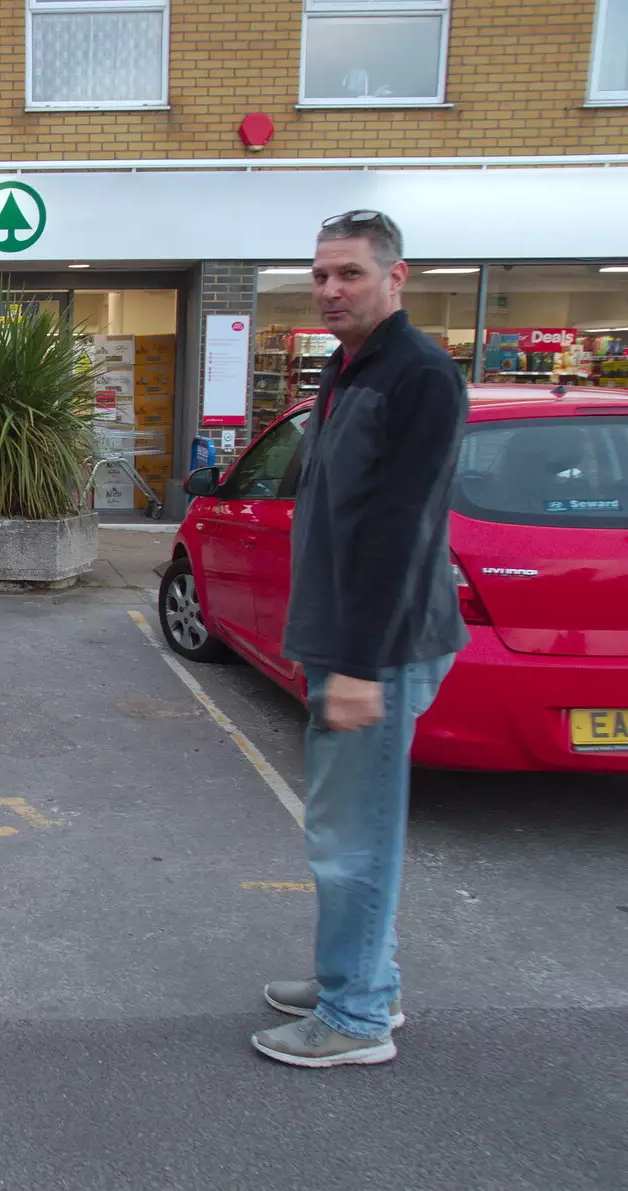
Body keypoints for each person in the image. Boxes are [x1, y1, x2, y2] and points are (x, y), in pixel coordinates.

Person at [251, 210, 469, 1069]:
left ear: (395, 276)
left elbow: (402, 531)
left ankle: (356, 1016)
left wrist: (358, 665)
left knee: (354, 837)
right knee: (347, 828)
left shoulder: (416, 375)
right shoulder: (351, 368)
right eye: (321, 275)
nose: (331, 289)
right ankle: (359, 973)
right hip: (349, 638)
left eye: (349, 273)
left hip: (380, 648)